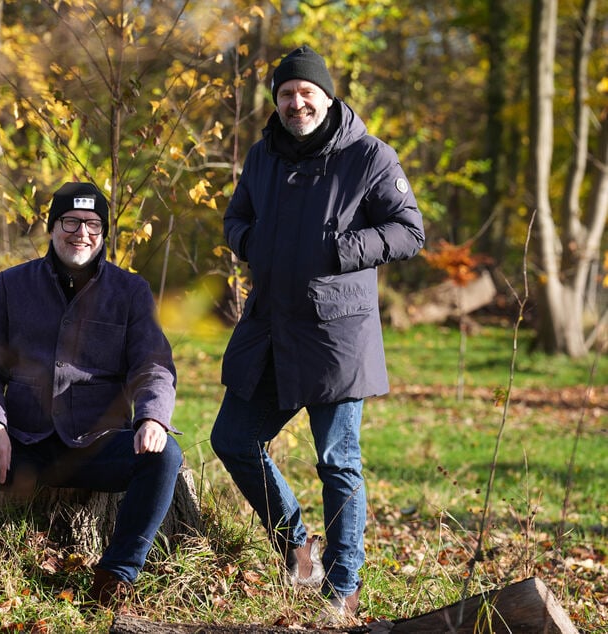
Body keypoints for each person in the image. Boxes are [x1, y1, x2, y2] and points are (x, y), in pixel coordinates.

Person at [209, 45, 425, 621]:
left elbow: (410, 230)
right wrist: (252, 244)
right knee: (232, 438)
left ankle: (345, 586)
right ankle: (299, 543)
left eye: (306, 92)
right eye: (285, 94)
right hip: (270, 329)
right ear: (276, 102)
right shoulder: (261, 157)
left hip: (337, 334)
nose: (295, 102)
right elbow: (236, 219)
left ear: (327, 97)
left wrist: (344, 248)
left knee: (337, 460)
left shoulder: (369, 156)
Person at [0, 181, 182, 606]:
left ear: (104, 232)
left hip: (95, 447)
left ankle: (116, 576)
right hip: (20, 445)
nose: (82, 233)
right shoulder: (12, 285)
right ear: (52, 226)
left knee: (166, 455)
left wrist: (153, 416)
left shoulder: (130, 292)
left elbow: (153, 365)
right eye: (71, 222)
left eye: (93, 224)